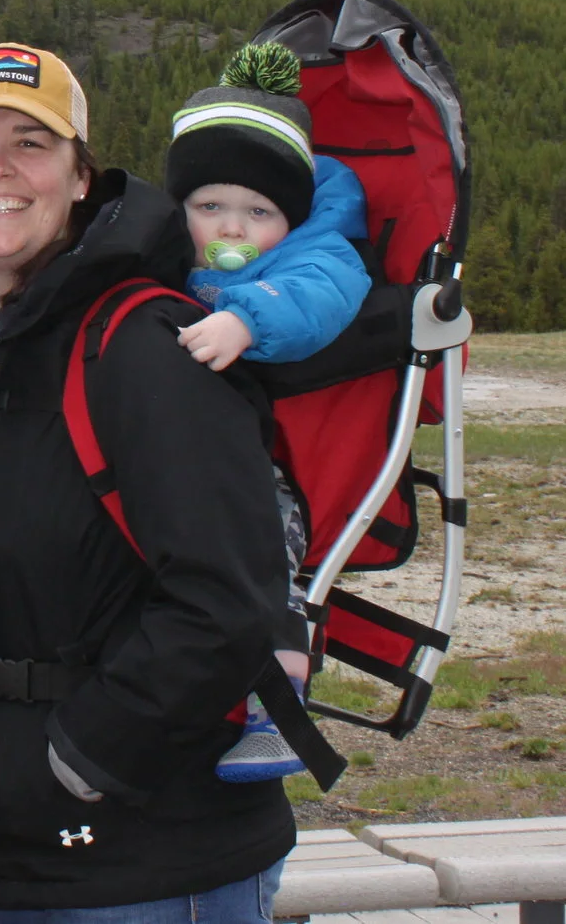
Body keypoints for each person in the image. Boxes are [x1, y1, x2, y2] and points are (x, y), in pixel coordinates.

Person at [0, 43, 296, 923]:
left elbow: (229, 599)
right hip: (15, 842)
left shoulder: (150, 344)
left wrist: (80, 758)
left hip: (152, 856)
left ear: (81, 178)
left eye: (32, 143)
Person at [162, 41, 373, 784]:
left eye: (257, 212)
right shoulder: (167, 251)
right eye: (209, 207)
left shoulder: (316, 253)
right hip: (189, 448)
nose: (232, 229)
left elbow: (322, 293)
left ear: (291, 211)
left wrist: (247, 317)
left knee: (264, 541)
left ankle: (278, 703)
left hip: (274, 462)